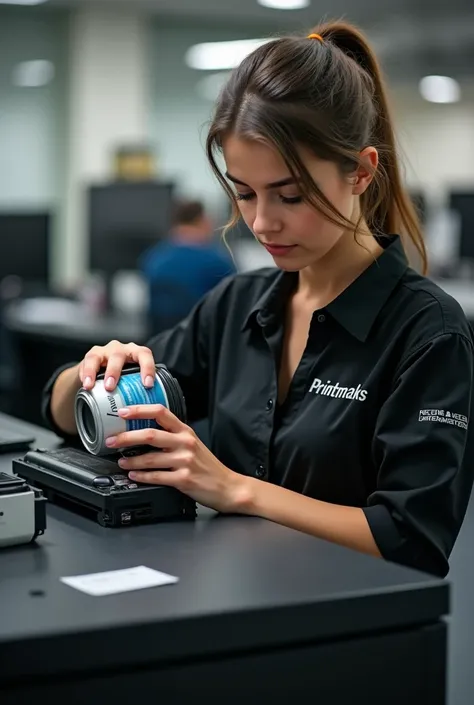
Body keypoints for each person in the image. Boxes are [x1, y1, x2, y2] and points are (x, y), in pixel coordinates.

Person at [43, 21, 474, 578]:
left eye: (290, 195)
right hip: (235, 603)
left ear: (362, 172)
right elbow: (56, 407)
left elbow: (412, 538)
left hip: (354, 632)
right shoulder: (238, 304)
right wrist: (92, 374)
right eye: (243, 193)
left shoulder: (427, 333)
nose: (262, 222)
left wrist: (234, 489)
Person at [139, 199, 236, 331]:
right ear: (202, 220)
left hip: (159, 343)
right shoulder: (218, 261)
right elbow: (235, 303)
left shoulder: (153, 257)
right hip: (202, 342)